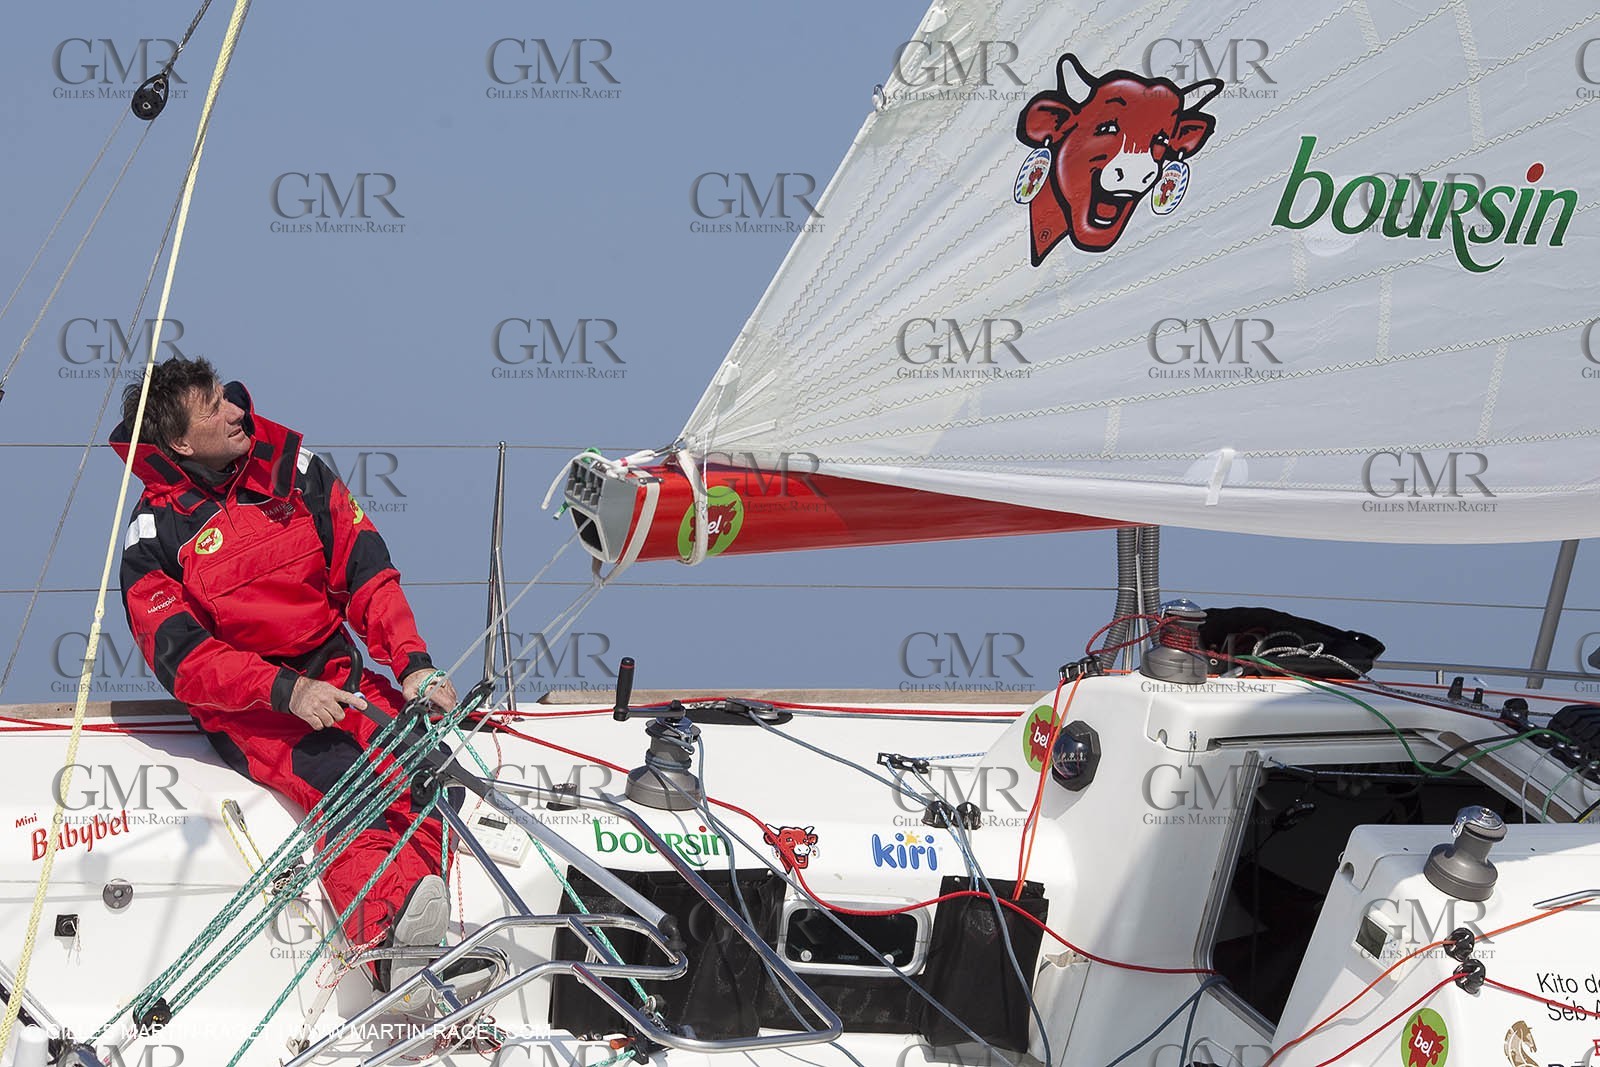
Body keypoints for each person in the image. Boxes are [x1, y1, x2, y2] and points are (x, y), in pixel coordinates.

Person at [112, 357, 459, 994]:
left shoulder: (293, 469)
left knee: (426, 774)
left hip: (338, 672)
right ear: (181, 443)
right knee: (347, 786)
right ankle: (384, 945)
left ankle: (420, 928)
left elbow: (365, 571)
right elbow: (184, 660)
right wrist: (286, 691)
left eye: (226, 396)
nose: (237, 411)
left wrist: (412, 663)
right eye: (214, 409)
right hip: (259, 709)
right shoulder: (150, 539)